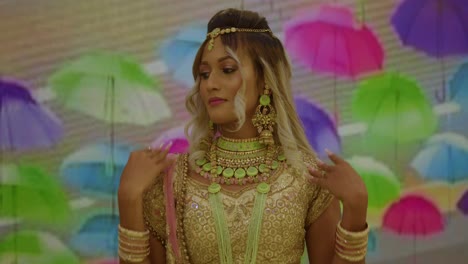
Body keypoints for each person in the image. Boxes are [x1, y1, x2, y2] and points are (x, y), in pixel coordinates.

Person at [117, 8, 368, 264]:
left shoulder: (307, 177)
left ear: (264, 79)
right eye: (204, 74)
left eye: (227, 69)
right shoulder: (172, 180)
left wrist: (356, 211)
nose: (210, 84)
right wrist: (128, 198)